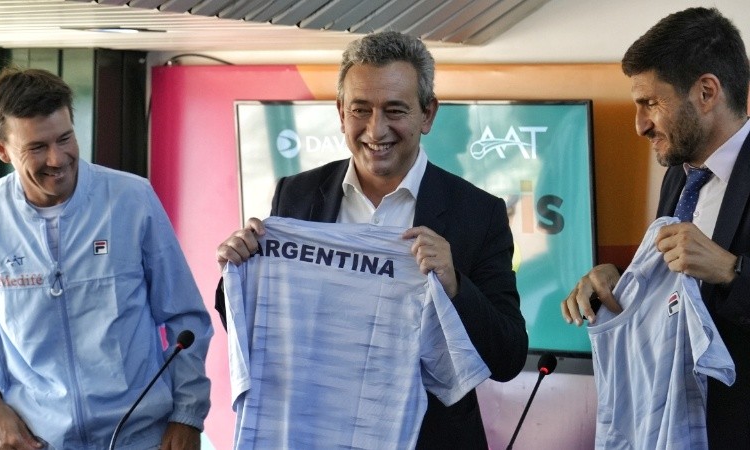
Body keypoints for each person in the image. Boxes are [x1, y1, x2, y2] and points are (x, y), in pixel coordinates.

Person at [216, 31, 528, 449]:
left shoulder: (477, 213)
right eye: (361, 109)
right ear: (341, 112)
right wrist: (237, 270)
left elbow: (507, 357)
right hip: (314, 435)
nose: (376, 129)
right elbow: (262, 320)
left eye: (395, 110)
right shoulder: (297, 193)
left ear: (428, 114)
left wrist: (454, 285)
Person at [0, 67, 213, 450]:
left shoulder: (132, 199)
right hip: (35, 440)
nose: (58, 158)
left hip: (143, 437)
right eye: (37, 148)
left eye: (65, 138)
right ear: (2, 150)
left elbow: (184, 319)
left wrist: (187, 416)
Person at [560, 7, 750, 448]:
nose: (640, 125)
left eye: (651, 103)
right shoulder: (678, 176)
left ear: (706, 92)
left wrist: (731, 271)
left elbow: (719, 277)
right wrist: (621, 284)